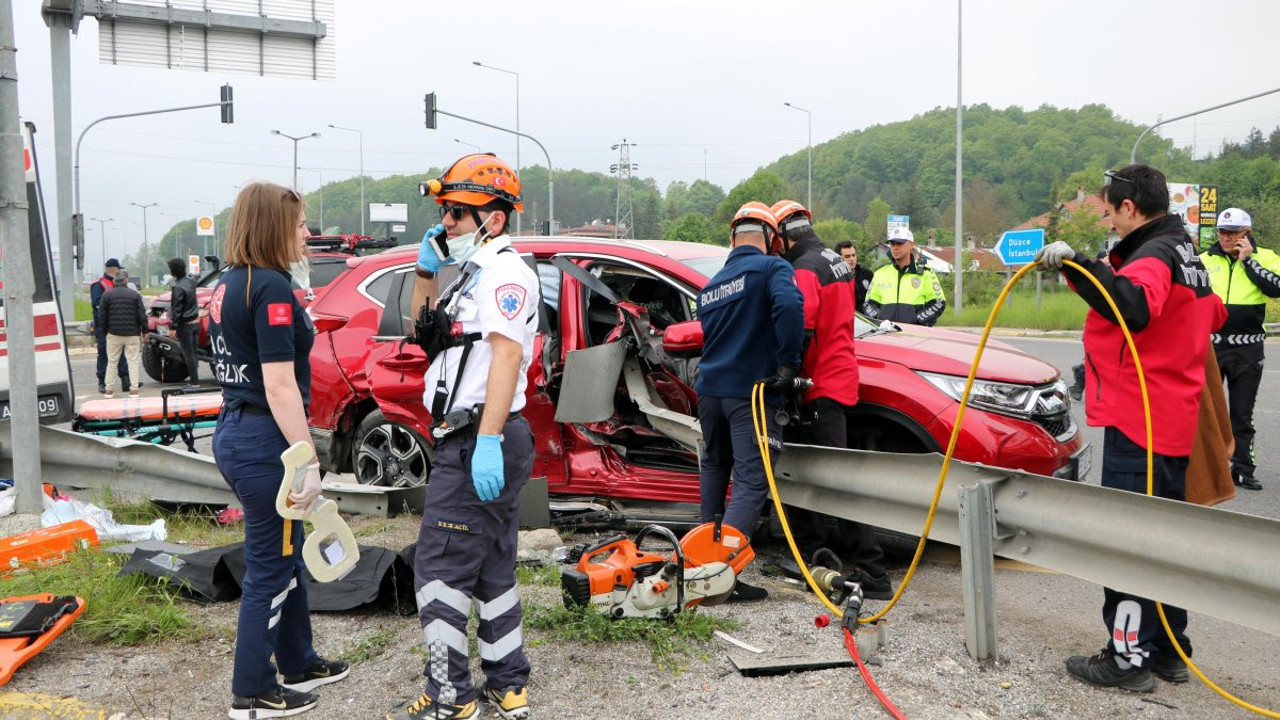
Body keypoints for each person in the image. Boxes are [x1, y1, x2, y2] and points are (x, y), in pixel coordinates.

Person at [1034, 164, 1225, 693]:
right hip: (1173, 419)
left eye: (1109, 210)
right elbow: (1216, 317)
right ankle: (1168, 651)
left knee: (1125, 541)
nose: (1108, 220)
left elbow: (1135, 307)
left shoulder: (1154, 255)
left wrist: (1080, 264)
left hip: (1138, 420)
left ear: (1130, 208)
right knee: (1163, 540)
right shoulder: (1189, 254)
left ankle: (1126, 659)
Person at [391, 153, 539, 720]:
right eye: (444, 212)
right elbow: (426, 333)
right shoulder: (473, 273)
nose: (445, 224)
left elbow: (506, 359)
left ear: (494, 220)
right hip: (471, 435)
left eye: (456, 214)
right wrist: (426, 271)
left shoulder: (506, 276)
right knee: (492, 567)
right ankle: (509, 683)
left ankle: (452, 698)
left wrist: (488, 440)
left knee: (440, 570)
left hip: (480, 436)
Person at [209, 182, 349, 719]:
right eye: (298, 225)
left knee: (287, 554)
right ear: (273, 228)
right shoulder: (269, 286)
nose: (307, 234)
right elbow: (280, 385)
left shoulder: (230, 283)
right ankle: (253, 692)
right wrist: (307, 459)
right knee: (271, 564)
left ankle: (298, 659)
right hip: (266, 438)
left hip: (238, 430)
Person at [772, 201, 892, 600]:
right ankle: (816, 554)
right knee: (820, 474)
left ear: (786, 236)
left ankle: (872, 570)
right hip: (841, 377)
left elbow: (802, 328)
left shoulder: (804, 268)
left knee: (830, 481)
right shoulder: (832, 260)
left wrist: (783, 374)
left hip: (818, 383)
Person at [695, 201, 804, 602]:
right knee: (752, 481)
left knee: (715, 468)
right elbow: (791, 307)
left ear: (732, 238)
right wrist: (788, 365)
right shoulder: (773, 268)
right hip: (751, 396)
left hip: (710, 393)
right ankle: (720, 578)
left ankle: (700, 563)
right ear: (773, 239)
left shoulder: (712, 286)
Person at [1200, 207, 1280, 491]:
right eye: (1222, 232)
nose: (1225, 237)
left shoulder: (1267, 257)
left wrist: (1248, 262)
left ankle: (1244, 468)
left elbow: (1277, 288)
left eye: (1232, 232)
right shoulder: (1204, 260)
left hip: (1249, 349)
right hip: (1209, 347)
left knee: (1242, 413)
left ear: (1247, 234)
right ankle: (1208, 467)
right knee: (1206, 411)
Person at [864, 228, 946, 326]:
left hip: (915, 335)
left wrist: (917, 320)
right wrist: (880, 319)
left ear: (911, 245)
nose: (895, 248)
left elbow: (939, 303)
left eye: (900, 244)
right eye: (892, 244)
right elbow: (868, 304)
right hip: (886, 334)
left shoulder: (926, 273)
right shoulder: (880, 273)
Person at [98, 270, 147, 399]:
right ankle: (134, 390)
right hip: (132, 334)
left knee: (112, 362)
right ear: (126, 281)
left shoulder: (107, 295)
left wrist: (104, 331)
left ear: (115, 281)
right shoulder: (135, 295)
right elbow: (142, 315)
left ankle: (109, 390)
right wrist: (145, 331)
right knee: (133, 362)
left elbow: (101, 316)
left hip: (114, 334)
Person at [90, 258, 131, 394]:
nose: (119, 272)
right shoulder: (99, 285)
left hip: (116, 325)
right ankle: (102, 382)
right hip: (103, 327)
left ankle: (126, 381)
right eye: (118, 270)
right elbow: (97, 305)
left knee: (121, 353)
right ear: (113, 270)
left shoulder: (116, 284)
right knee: (103, 353)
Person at [167, 257, 203, 389]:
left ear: (173, 271)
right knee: (193, 353)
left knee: (189, 355)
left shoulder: (177, 287)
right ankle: (195, 381)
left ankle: (194, 383)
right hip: (195, 322)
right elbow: (197, 276)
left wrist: (173, 327)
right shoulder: (191, 281)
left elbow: (177, 309)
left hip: (185, 325)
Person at [834, 240, 874, 314]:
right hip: (845, 318)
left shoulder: (868, 275)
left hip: (868, 321)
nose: (852, 259)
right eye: (847, 256)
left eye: (853, 255)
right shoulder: (834, 279)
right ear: (838, 258)